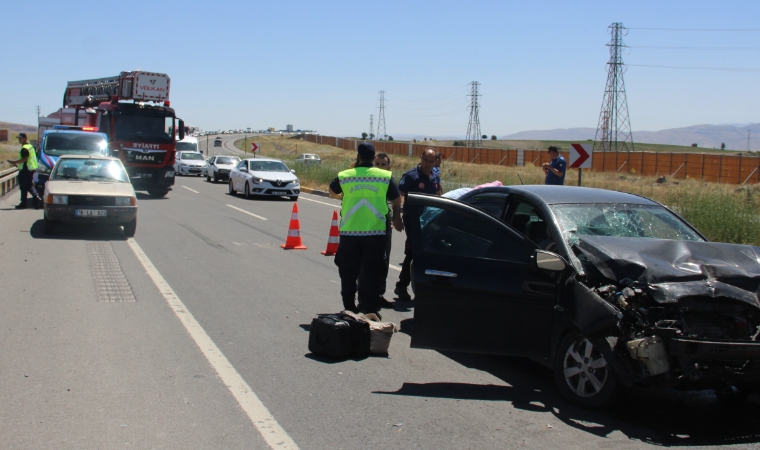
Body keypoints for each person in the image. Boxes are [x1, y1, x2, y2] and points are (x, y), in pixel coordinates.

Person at [329, 143, 402, 315]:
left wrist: (348, 193)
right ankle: (367, 309)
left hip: (350, 232)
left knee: (348, 272)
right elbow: (397, 200)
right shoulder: (383, 176)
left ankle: (349, 307)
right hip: (375, 233)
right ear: (373, 156)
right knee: (371, 273)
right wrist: (397, 218)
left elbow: (332, 192)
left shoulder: (345, 175)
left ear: (358, 156)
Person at [394, 148, 442, 302]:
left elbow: (438, 195)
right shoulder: (411, 176)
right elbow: (397, 196)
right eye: (426, 160)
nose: (428, 164)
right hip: (413, 220)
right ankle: (402, 286)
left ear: (436, 162)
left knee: (428, 253)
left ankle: (423, 289)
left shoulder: (435, 176)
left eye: (431, 161)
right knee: (413, 253)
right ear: (421, 158)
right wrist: (397, 218)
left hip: (430, 220)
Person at [372, 152, 395, 308]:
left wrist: (394, 219)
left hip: (385, 224)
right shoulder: (370, 179)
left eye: (383, 164)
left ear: (389, 167)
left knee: (384, 261)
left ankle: (380, 294)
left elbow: (396, 200)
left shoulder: (389, 180)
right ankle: (366, 294)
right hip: (370, 224)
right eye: (377, 164)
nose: (380, 167)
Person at [7, 133, 42, 209]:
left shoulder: (25, 149)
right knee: (29, 185)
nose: (19, 140)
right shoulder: (30, 146)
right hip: (31, 169)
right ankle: (36, 197)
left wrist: (15, 162)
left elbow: (25, 159)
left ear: (25, 138)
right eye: (19, 138)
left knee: (23, 186)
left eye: (21, 138)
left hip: (25, 170)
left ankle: (24, 203)